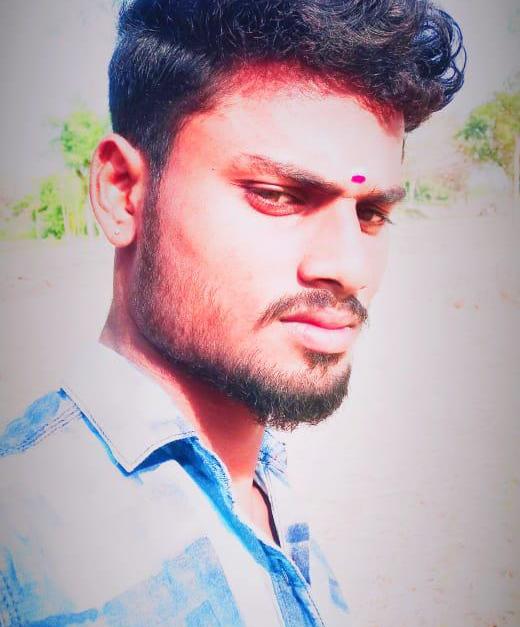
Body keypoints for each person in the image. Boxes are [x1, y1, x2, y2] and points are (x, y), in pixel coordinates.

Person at [0, 1, 465, 624]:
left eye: (371, 213)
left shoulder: (259, 475)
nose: (350, 266)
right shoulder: (23, 544)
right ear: (122, 193)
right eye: (277, 196)